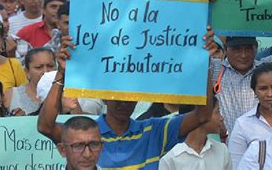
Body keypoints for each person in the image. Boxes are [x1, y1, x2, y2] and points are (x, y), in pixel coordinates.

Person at [38, 30, 216, 169]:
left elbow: (202, 115)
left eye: (129, 97)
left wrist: (205, 63)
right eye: (117, 97)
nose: (124, 103)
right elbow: (45, 126)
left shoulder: (154, 131)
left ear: (138, 99)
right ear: (104, 98)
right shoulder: (87, 135)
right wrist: (61, 73)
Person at [228, 63, 272, 169]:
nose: (270, 94)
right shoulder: (243, 124)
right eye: (263, 88)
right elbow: (236, 165)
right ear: (254, 91)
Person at [159, 97, 232, 170]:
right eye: (217, 111)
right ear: (202, 115)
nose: (221, 118)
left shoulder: (222, 151)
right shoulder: (171, 158)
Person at [3, 47, 57, 115]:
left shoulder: (67, 95)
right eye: (39, 67)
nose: (45, 71)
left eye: (50, 66)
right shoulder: (11, 95)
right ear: (27, 71)